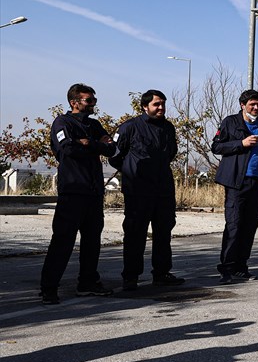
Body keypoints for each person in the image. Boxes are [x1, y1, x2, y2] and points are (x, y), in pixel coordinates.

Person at [39, 84, 116, 304]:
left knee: (92, 240)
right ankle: (49, 287)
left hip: (93, 193)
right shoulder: (62, 123)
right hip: (73, 190)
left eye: (94, 100)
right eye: (88, 101)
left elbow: (112, 149)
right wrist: (95, 146)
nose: (93, 104)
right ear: (74, 102)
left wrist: (88, 142)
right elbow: (67, 149)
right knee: (63, 240)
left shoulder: (94, 125)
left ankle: (88, 283)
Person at [109, 89, 185, 290]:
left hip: (163, 189)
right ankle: (131, 277)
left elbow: (171, 153)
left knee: (163, 232)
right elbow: (114, 155)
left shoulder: (168, 128)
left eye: (162, 104)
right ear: (144, 106)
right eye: (156, 104)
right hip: (138, 190)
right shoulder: (130, 127)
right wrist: (132, 170)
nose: (161, 108)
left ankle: (161, 273)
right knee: (135, 234)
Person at [211, 89, 258, 284]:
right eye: (252, 104)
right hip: (237, 182)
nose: (255, 108)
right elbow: (217, 147)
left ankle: (241, 267)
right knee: (234, 224)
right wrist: (241, 143)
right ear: (242, 105)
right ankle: (227, 268)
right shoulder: (230, 122)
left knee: (250, 225)